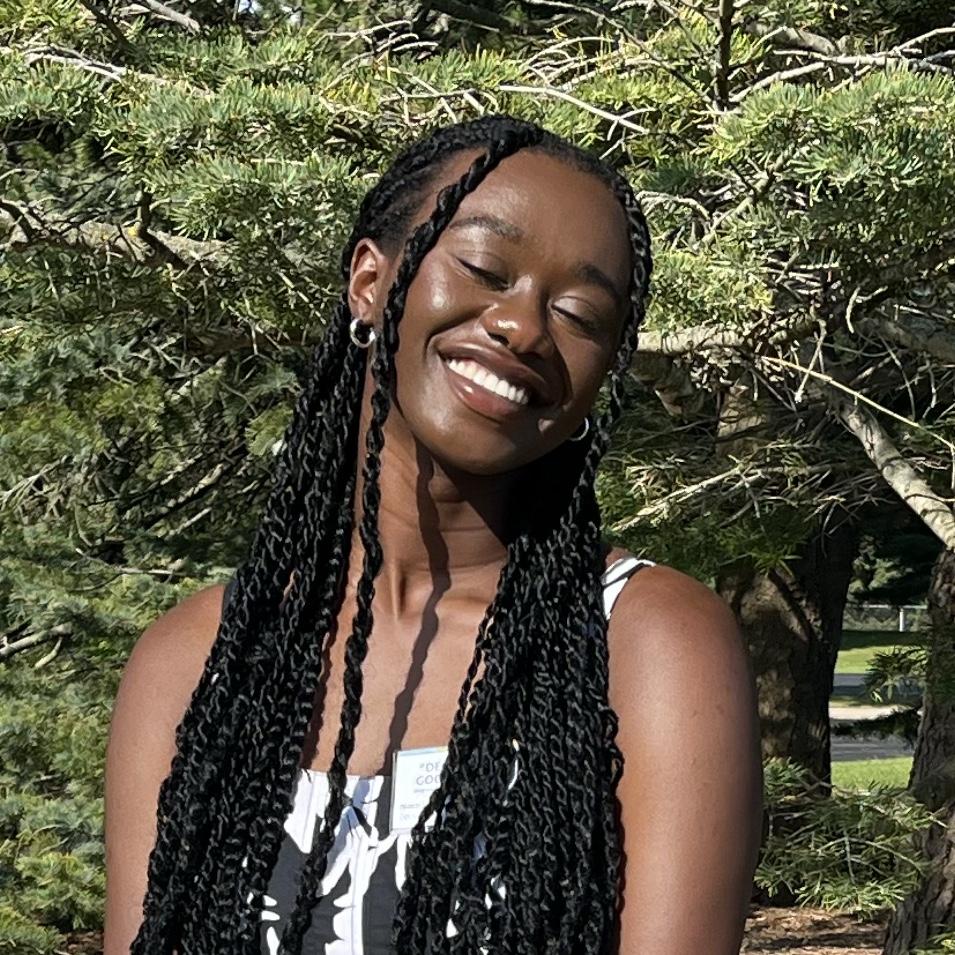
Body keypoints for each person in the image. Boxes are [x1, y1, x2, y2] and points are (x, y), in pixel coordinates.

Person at [103, 114, 762, 955]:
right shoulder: (199, 658)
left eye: (579, 314)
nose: (523, 327)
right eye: (484, 269)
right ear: (370, 282)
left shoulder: (646, 643)